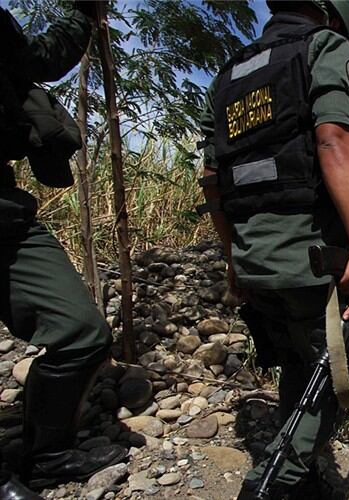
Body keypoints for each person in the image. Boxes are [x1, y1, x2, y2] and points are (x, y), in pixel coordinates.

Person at [197, 1, 349, 497]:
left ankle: (304, 477)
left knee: (301, 360)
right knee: (332, 373)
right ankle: (272, 483)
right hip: (309, 262)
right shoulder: (323, 46)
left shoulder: (227, 76)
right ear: (332, 17)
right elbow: (333, 137)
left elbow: (212, 178)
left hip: (253, 263)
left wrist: (233, 255)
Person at [0, 3, 127, 497]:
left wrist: (81, 15)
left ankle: (48, 456)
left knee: (81, 332)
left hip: (6, 208)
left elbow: (34, 57)